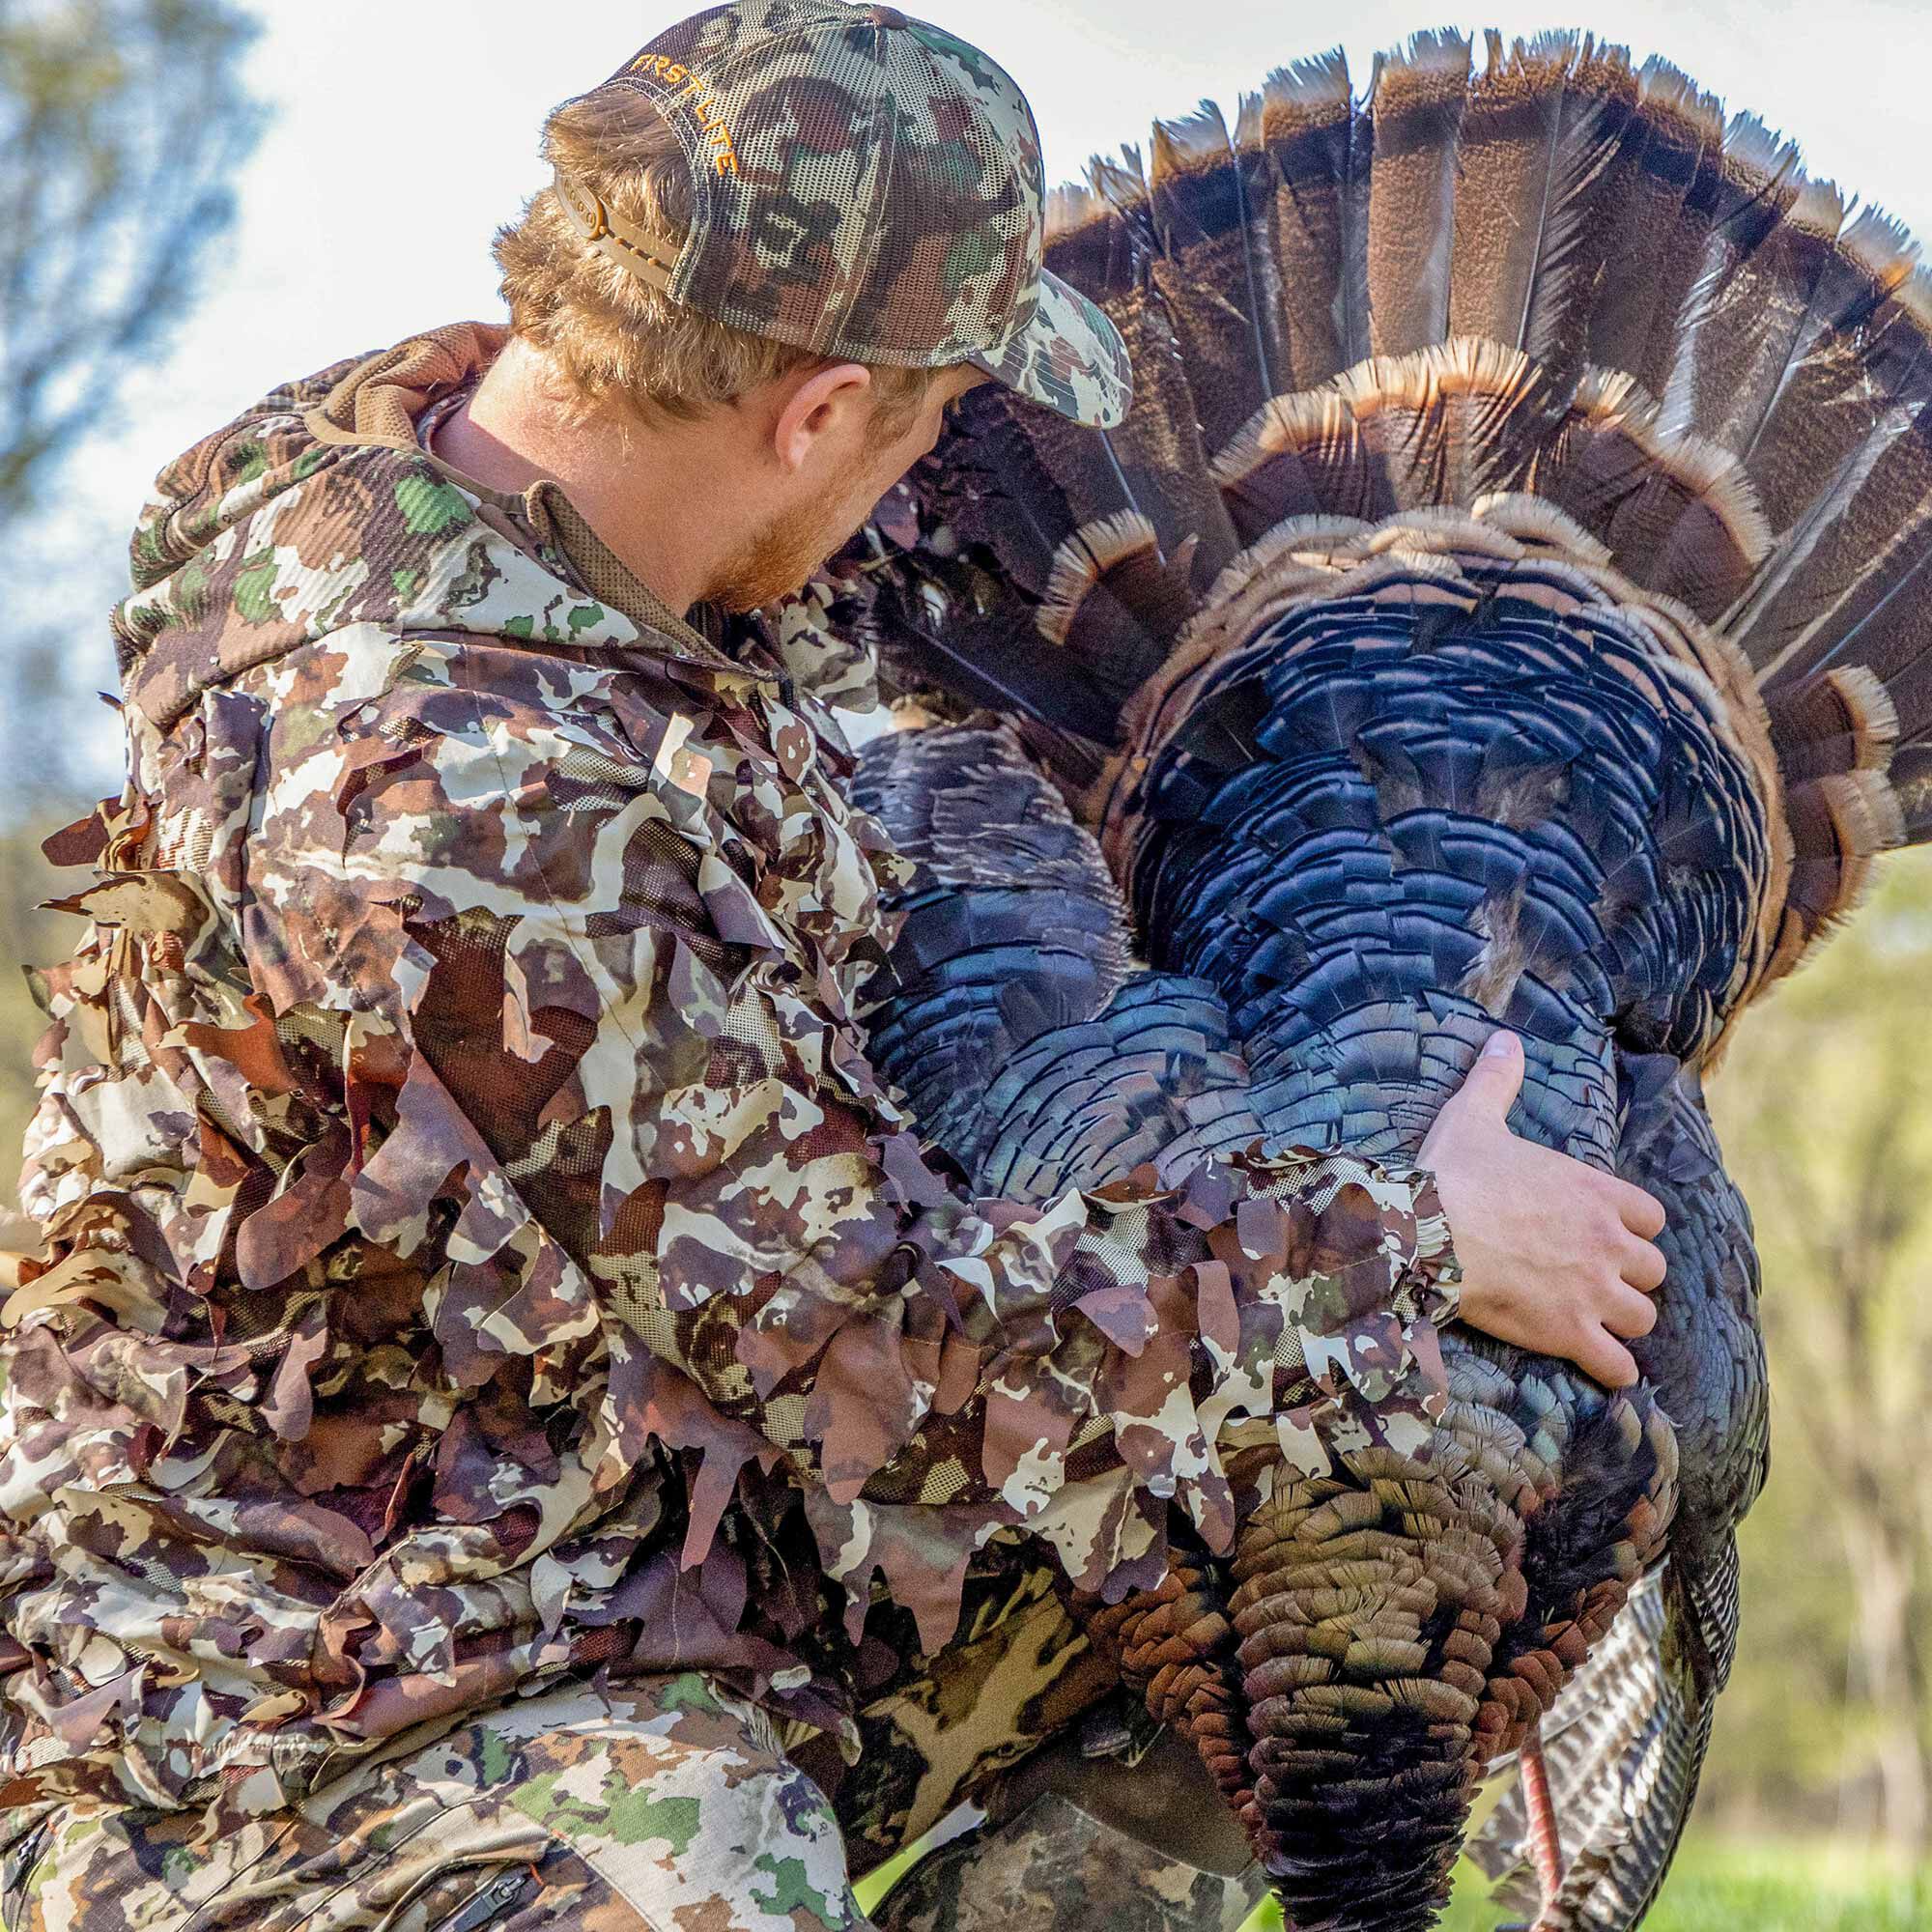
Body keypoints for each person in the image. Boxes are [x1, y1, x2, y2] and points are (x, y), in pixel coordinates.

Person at [0, 4, 1669, 1926]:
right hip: (279, 1694)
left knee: (1242, 1537)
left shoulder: (406, 482)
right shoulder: (466, 805)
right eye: (925, 420)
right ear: (807, 410)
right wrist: (1408, 1230)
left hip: (588, 1508)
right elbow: (878, 1352)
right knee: (711, 1858)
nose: (917, 474)